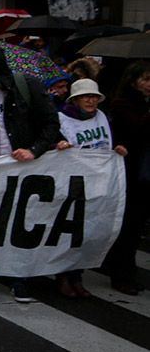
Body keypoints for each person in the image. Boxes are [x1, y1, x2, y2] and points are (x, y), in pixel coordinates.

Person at [0, 45, 61, 303]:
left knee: (17, 223)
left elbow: (51, 123)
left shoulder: (26, 87)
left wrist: (34, 150)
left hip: (20, 169)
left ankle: (17, 276)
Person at [53, 78, 126, 297]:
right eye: (86, 96)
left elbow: (107, 142)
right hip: (73, 183)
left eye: (94, 96)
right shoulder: (62, 119)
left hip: (97, 183)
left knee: (88, 231)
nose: (91, 100)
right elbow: (52, 143)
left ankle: (78, 275)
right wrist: (58, 144)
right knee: (70, 231)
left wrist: (118, 148)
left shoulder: (102, 117)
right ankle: (64, 276)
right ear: (75, 99)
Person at [104, 62, 150, 296]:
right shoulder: (122, 104)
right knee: (128, 225)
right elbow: (135, 130)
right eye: (146, 79)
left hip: (142, 173)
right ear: (133, 81)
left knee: (136, 225)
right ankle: (121, 274)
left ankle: (124, 269)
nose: (149, 84)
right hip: (129, 174)